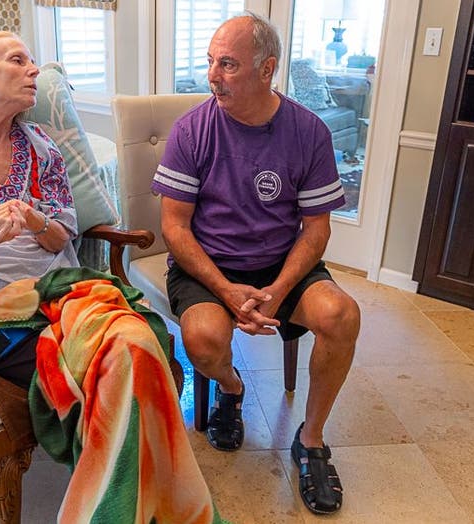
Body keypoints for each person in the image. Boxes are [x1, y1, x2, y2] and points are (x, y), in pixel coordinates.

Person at [0, 31, 221, 523]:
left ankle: (122, 506)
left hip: (66, 296)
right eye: (19, 60)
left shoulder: (42, 146)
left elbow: (63, 235)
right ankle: (134, 507)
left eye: (32, 62)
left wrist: (33, 218)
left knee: (138, 343)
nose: (35, 70)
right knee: (122, 368)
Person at [152, 12, 360, 516]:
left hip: (282, 265)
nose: (213, 75)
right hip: (209, 267)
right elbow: (175, 229)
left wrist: (278, 290)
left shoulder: (308, 132)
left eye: (228, 64)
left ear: (267, 69)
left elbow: (317, 229)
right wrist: (225, 290)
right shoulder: (192, 130)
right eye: (210, 62)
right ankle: (232, 388)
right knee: (201, 340)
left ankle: (310, 441)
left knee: (341, 314)